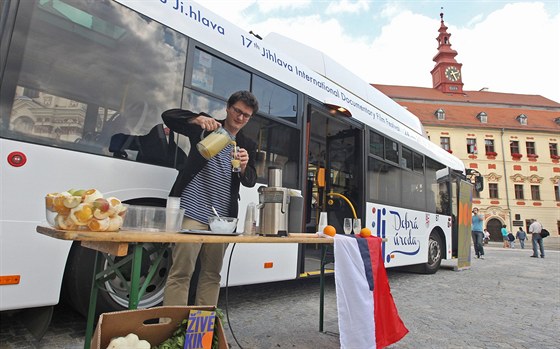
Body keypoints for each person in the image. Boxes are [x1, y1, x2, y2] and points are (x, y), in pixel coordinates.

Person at [162, 91, 259, 306]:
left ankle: (201, 334)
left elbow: (251, 180)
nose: (241, 118)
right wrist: (196, 118)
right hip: (191, 211)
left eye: (246, 115)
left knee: (212, 275)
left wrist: (244, 166)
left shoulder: (246, 144)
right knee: (180, 273)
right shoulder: (208, 126)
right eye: (238, 111)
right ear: (228, 107)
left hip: (222, 220)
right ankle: (170, 330)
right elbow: (168, 116)